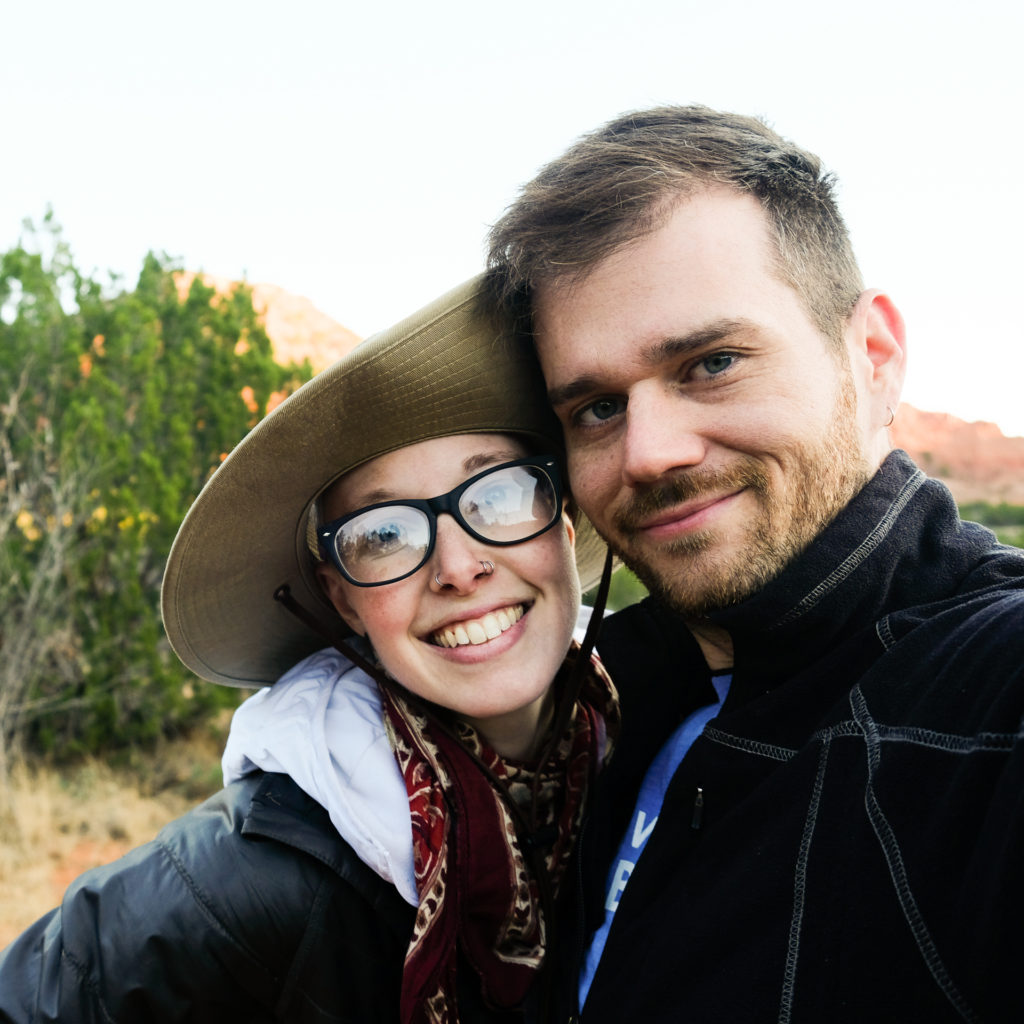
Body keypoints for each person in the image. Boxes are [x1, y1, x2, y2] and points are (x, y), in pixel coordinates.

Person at [484, 105, 1024, 1022]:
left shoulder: (990, 698)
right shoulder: (605, 707)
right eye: (597, 409)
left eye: (711, 362)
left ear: (874, 355)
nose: (649, 452)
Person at [0, 278, 618, 1023]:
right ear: (341, 598)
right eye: (384, 534)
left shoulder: (665, 757)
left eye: (497, 493)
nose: (458, 566)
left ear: (564, 526)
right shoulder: (255, 877)